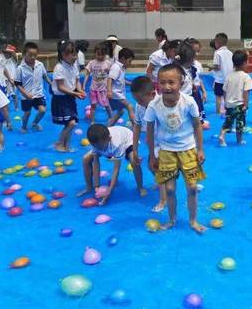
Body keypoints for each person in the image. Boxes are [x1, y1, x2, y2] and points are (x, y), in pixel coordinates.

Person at [144, 64, 206, 233]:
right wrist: (152, 155)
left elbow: (197, 125)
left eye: (171, 82)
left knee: (192, 188)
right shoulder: (154, 105)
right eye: (162, 82)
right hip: (166, 151)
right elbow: (149, 130)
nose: (167, 86)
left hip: (188, 150)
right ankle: (172, 219)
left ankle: (193, 221)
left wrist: (200, 149)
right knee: (169, 190)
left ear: (181, 83)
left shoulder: (189, 102)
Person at [77, 124, 140, 205]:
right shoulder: (96, 142)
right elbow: (96, 164)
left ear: (109, 139)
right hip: (108, 145)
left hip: (127, 140)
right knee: (86, 159)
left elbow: (116, 168)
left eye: (100, 146)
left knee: (133, 161)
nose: (99, 148)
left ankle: (140, 186)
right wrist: (97, 186)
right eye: (96, 146)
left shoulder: (116, 144)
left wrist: (110, 190)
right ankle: (89, 187)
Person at [130, 76, 165, 210]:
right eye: (135, 100)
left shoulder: (161, 104)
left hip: (165, 143)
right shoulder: (139, 106)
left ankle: (162, 201)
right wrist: (135, 148)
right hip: (152, 143)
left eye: (139, 99)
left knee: (158, 168)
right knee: (151, 167)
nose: (138, 102)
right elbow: (137, 126)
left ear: (152, 94)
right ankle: (165, 182)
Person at [52, 40, 86, 152]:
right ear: (64, 55)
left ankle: (67, 147)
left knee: (71, 123)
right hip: (61, 99)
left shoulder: (73, 66)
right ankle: (59, 142)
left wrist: (80, 91)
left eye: (76, 54)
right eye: (73, 54)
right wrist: (76, 93)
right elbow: (61, 87)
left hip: (70, 97)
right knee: (71, 123)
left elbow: (77, 81)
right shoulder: (59, 67)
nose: (75, 57)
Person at [14, 42, 51, 133]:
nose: (33, 57)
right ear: (24, 54)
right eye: (30, 55)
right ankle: (24, 127)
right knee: (27, 113)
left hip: (38, 94)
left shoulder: (40, 65)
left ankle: (34, 123)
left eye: (35, 55)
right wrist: (25, 94)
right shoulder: (20, 68)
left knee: (42, 110)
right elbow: (17, 84)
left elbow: (45, 76)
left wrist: (51, 83)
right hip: (26, 95)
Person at [219, 50, 252, 147]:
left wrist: (225, 103)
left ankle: (222, 136)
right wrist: (246, 105)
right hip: (239, 105)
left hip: (229, 104)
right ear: (244, 63)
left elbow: (224, 91)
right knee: (240, 124)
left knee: (228, 122)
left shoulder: (229, 76)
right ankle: (239, 140)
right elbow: (246, 92)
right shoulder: (246, 77)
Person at [84, 43, 112, 124]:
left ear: (105, 54)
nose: (100, 56)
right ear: (95, 53)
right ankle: (92, 120)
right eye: (98, 54)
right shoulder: (92, 63)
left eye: (102, 55)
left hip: (103, 89)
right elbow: (87, 74)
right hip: (93, 89)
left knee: (106, 105)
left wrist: (111, 87)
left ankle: (111, 117)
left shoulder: (108, 63)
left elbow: (111, 76)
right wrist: (84, 85)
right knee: (93, 105)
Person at [107, 48, 136, 126]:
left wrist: (131, 83)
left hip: (118, 94)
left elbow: (121, 80)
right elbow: (110, 79)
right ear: (123, 59)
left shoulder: (121, 68)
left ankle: (109, 126)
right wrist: (109, 91)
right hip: (115, 94)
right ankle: (135, 126)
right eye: (129, 61)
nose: (130, 64)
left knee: (121, 111)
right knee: (130, 106)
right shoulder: (116, 67)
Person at [211, 32, 233, 114]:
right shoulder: (230, 53)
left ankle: (218, 111)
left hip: (220, 79)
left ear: (217, 43)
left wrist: (211, 67)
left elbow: (217, 66)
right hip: (228, 78)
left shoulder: (217, 53)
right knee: (226, 95)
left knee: (218, 96)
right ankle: (228, 110)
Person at [188, 38, 208, 122]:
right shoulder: (183, 65)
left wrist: (203, 91)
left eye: (198, 51)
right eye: (194, 51)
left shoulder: (198, 65)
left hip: (196, 92)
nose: (196, 54)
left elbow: (199, 79)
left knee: (199, 117)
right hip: (187, 93)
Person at [3, 45, 19, 110]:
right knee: (5, 95)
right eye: (5, 53)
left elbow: (14, 54)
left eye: (8, 53)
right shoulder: (2, 60)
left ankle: (16, 107)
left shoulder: (13, 60)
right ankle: (6, 108)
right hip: (5, 80)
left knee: (14, 95)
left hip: (13, 80)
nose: (6, 54)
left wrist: (9, 49)